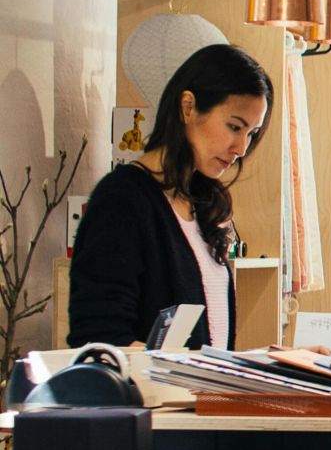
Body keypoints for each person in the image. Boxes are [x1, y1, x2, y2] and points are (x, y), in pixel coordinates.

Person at [67, 43, 273, 349]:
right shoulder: (122, 199)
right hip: (152, 397)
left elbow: (212, 351)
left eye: (251, 133)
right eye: (234, 126)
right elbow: (99, 336)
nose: (242, 148)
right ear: (188, 107)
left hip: (200, 396)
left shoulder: (203, 205)